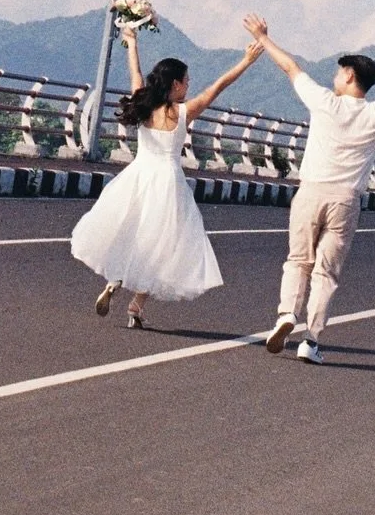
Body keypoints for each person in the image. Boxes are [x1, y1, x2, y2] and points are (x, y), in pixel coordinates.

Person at [243, 10, 375, 364]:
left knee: (298, 261)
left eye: (340, 72)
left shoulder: (324, 102)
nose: (335, 76)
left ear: (349, 75)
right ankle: (311, 340)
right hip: (345, 199)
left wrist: (263, 38)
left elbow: (290, 67)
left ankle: (286, 315)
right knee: (326, 272)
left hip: (311, 192)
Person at [71, 25, 265, 327]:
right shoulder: (184, 112)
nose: (189, 85)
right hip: (168, 183)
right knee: (160, 247)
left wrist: (132, 41)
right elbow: (219, 86)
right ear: (175, 84)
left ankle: (116, 280)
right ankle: (135, 306)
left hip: (138, 175)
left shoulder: (143, 103)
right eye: (186, 81)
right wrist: (246, 61)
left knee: (129, 231)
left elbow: (134, 72)